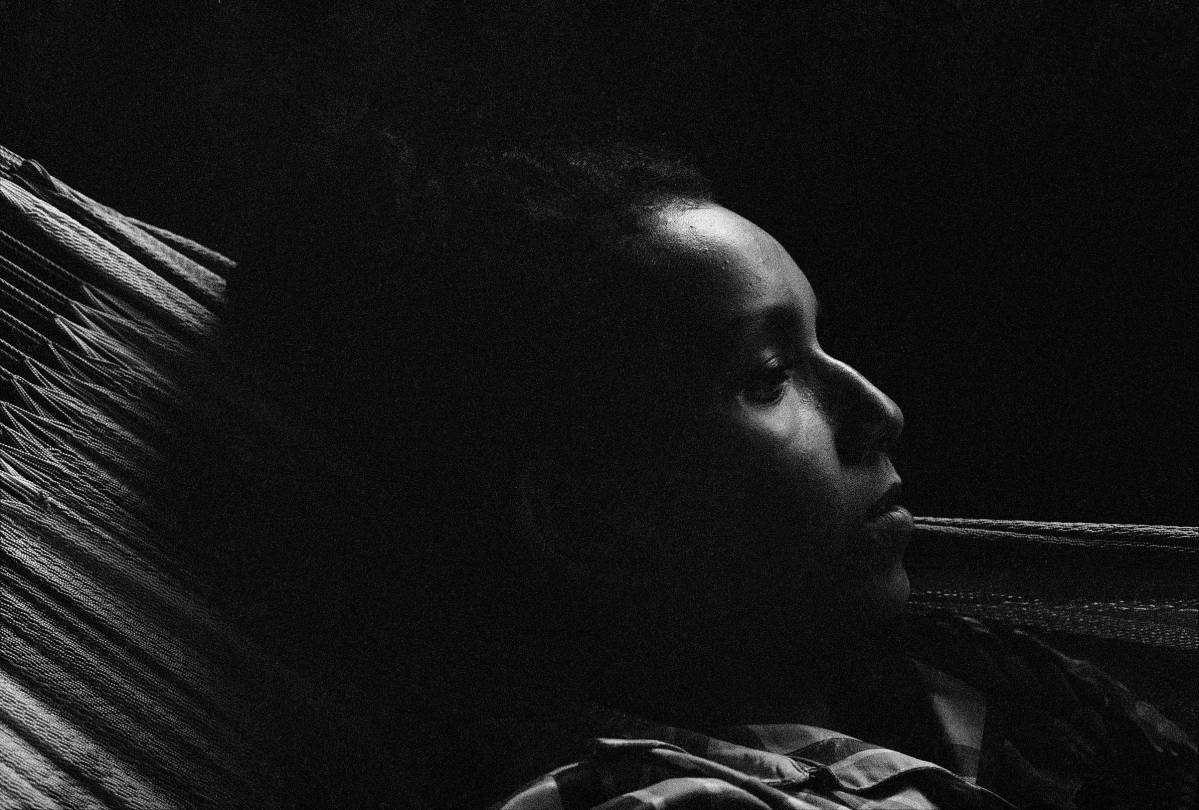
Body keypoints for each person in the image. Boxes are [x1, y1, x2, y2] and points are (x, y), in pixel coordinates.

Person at [232, 138, 1197, 809]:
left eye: (824, 349)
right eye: (770, 377)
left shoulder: (997, 691)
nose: (878, 413)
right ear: (585, 520)